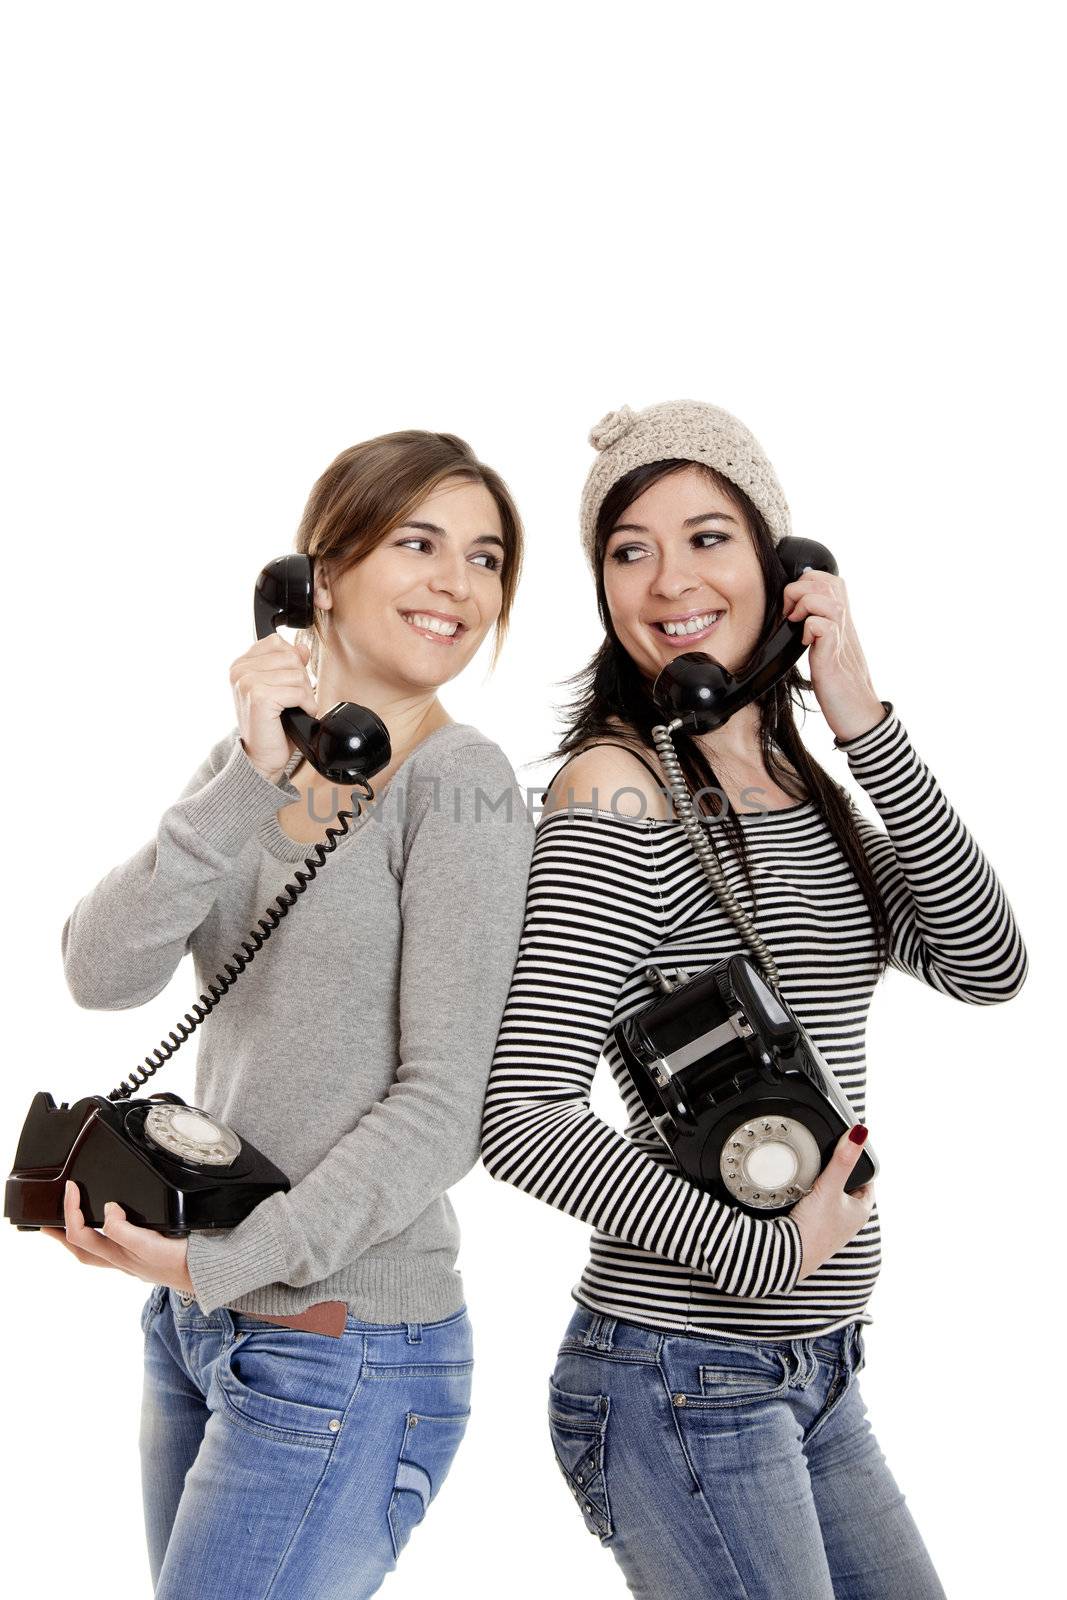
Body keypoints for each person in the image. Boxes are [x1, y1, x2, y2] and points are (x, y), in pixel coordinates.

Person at [481, 399, 1028, 1598]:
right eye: (628, 550)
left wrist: (858, 716)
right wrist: (761, 1250)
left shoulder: (798, 783)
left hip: (817, 1371)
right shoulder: (615, 791)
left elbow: (986, 961)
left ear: (778, 568)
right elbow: (517, 1114)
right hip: (679, 1372)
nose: (668, 577)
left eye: (706, 536)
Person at [48, 430, 536, 1599]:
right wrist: (246, 776)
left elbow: (444, 1104)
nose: (456, 583)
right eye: (417, 542)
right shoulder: (250, 762)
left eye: (483, 557)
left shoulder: (462, 784)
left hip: (343, 1336)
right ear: (315, 579)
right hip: (195, 1320)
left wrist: (230, 1260)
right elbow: (99, 970)